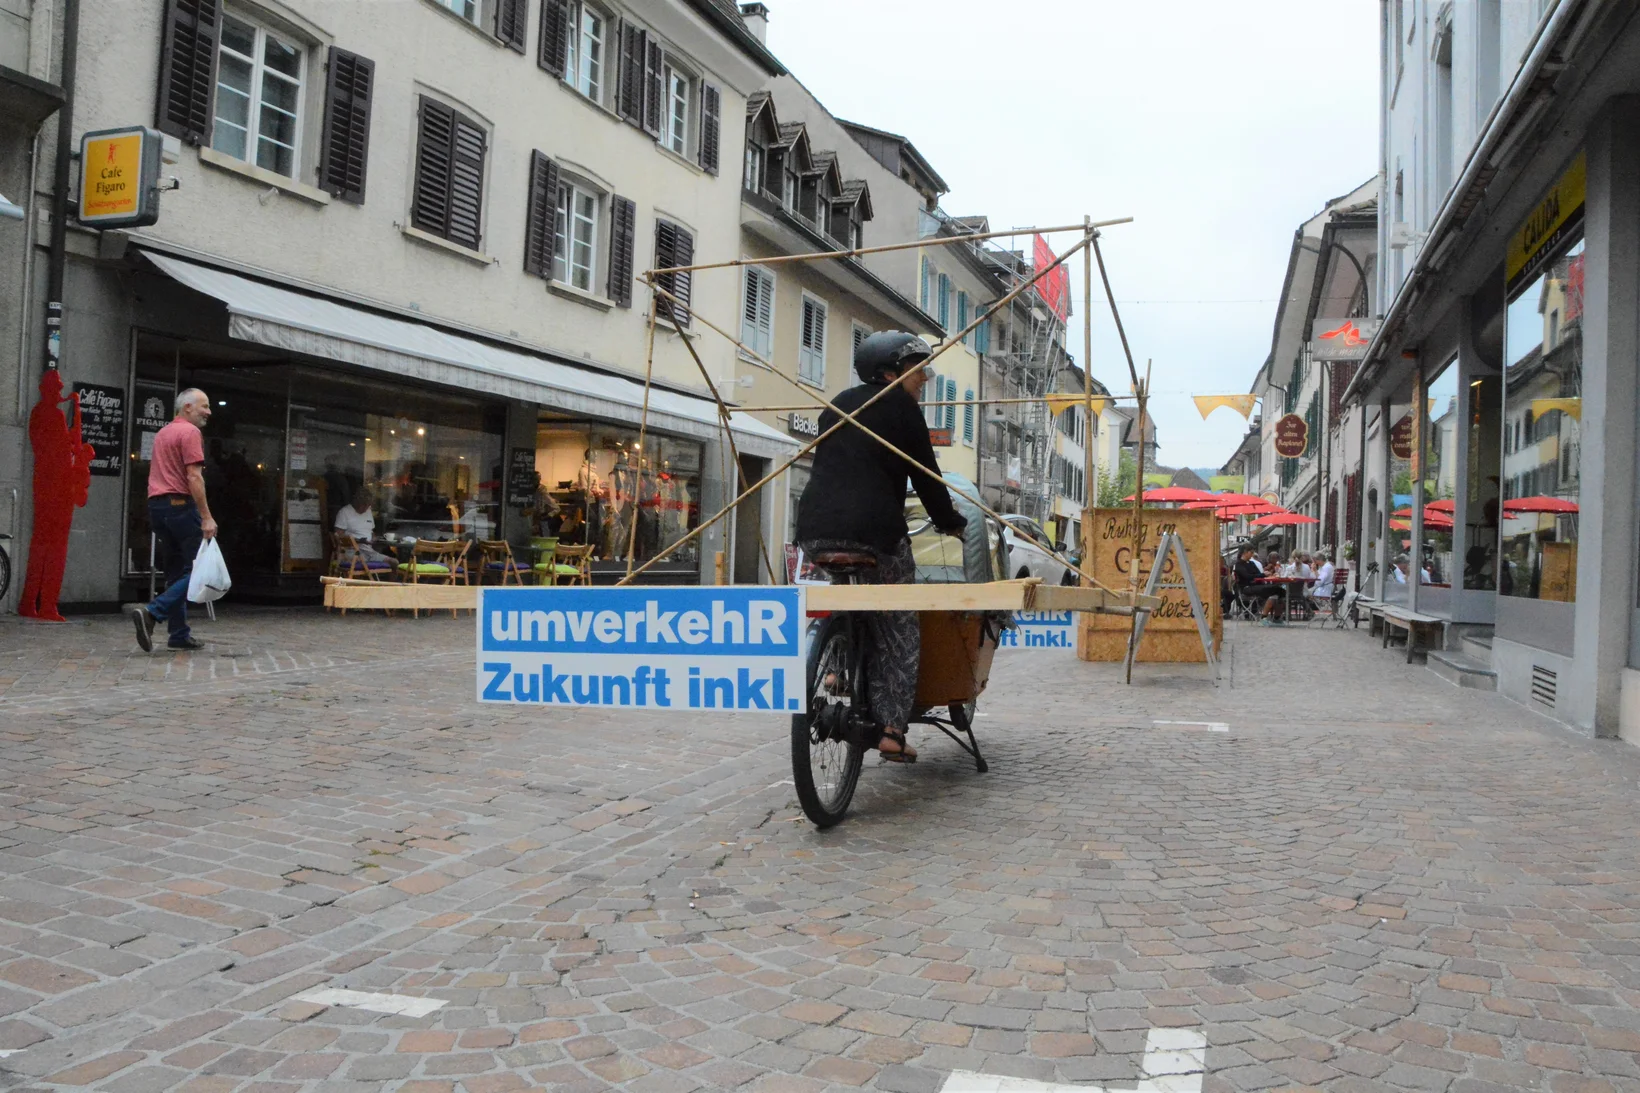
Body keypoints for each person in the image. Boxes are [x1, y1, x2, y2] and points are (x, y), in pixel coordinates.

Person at [796, 331, 968, 762]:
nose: (925, 378)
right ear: (890, 371)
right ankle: (892, 728)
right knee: (898, 625)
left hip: (815, 530)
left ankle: (835, 666)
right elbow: (926, 477)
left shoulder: (835, 405)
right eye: (918, 368)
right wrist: (952, 524)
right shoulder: (903, 409)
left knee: (848, 595)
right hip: (875, 532)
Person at [129, 389, 215, 652]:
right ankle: (153, 612)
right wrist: (207, 516)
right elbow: (194, 477)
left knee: (176, 572)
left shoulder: (164, 433)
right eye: (204, 406)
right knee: (201, 571)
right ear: (187, 407)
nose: (209, 412)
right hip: (180, 505)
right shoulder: (190, 433)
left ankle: (178, 634)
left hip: (158, 508)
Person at [333, 487, 392, 565]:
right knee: (363, 563)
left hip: (369, 551)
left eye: (367, 505)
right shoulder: (344, 512)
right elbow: (338, 536)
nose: (365, 508)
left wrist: (374, 538)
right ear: (356, 502)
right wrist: (358, 541)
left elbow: (370, 531)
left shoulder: (368, 511)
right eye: (363, 505)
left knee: (394, 562)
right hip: (352, 553)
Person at [1233, 545, 1285, 624]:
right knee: (1274, 590)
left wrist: (1266, 574)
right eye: (1251, 552)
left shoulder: (1252, 563)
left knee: (1281, 591)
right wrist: (1263, 575)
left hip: (1257, 585)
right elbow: (1247, 577)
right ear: (1245, 552)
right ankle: (1264, 616)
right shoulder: (1239, 564)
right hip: (1246, 588)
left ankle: (1277, 617)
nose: (1252, 554)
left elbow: (1258, 574)